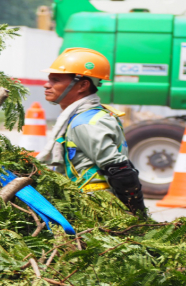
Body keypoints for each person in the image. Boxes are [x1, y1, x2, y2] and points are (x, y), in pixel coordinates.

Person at [36, 48, 147, 216]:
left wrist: (137, 216)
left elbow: (119, 169)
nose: (46, 85)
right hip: (88, 206)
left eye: (55, 80)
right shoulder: (87, 116)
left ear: (82, 85)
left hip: (94, 209)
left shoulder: (85, 123)